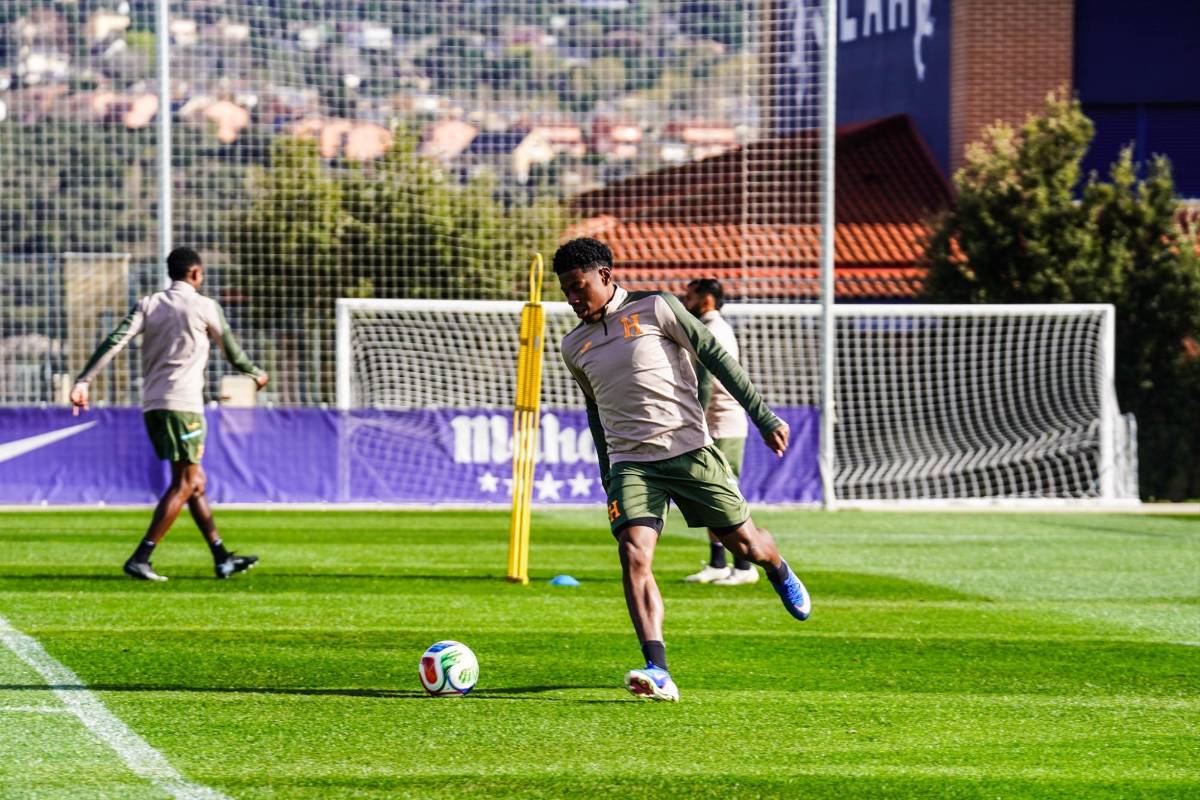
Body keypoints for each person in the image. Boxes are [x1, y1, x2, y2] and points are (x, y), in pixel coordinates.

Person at [555, 238, 810, 702]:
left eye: (579, 287)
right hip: (632, 464)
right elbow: (595, 411)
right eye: (566, 290)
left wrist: (764, 415)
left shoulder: (658, 308)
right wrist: (606, 469)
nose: (573, 298)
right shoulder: (574, 346)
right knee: (634, 553)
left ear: (606, 277)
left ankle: (777, 567)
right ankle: (658, 669)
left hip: (689, 449)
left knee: (746, 544)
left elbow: (716, 358)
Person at [71, 247, 268, 582]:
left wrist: (83, 381)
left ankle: (222, 557)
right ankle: (141, 557)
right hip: (184, 406)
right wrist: (255, 373)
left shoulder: (148, 304)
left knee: (196, 483)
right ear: (195, 273)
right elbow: (232, 351)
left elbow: (116, 340)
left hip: (154, 405)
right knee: (186, 482)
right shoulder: (205, 307)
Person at [681, 278, 757, 586]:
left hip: (723, 424)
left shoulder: (713, 330)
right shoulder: (713, 327)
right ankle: (717, 562)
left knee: (725, 495)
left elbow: (707, 382)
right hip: (715, 423)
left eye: (691, 297)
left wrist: (694, 420)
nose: (686, 303)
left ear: (707, 300)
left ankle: (744, 565)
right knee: (708, 495)